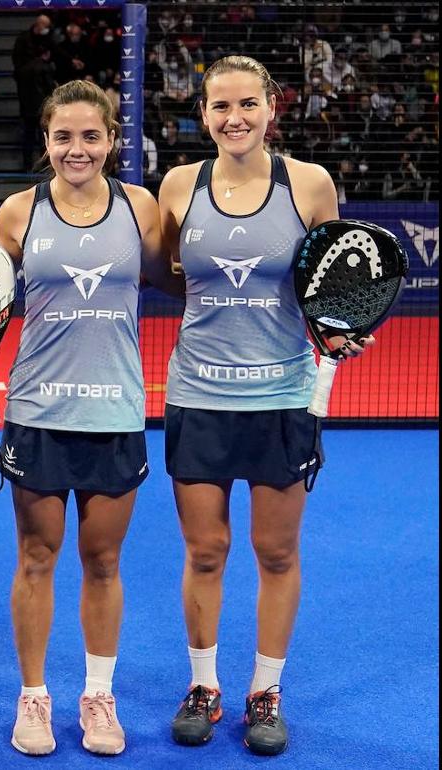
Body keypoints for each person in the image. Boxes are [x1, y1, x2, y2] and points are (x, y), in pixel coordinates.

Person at [0, 79, 173, 757]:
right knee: (36, 558)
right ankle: (33, 698)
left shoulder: (141, 209)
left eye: (91, 136)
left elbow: (178, 279)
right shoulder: (18, 213)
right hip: (37, 409)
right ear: (46, 142)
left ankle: (98, 697)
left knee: (103, 561)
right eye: (63, 136)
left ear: (112, 140)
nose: (77, 148)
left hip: (116, 409)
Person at [156, 55, 372, 756]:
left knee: (275, 551)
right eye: (220, 107)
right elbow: (167, 276)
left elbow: (329, 284)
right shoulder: (179, 187)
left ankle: (265, 691)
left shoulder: (310, 184)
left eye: (247, 104)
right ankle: (204, 685)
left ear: (271, 108)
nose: (234, 118)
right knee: (206, 549)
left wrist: (338, 330)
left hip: (282, 396)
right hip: (197, 393)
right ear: (204, 114)